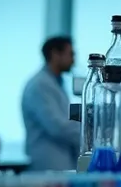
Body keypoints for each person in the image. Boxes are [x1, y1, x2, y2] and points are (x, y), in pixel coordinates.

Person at [21, 36, 80, 171]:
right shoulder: (40, 85)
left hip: (60, 160)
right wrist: (89, 133)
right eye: (70, 54)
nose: (73, 60)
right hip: (49, 161)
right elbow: (58, 127)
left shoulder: (54, 83)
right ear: (55, 54)